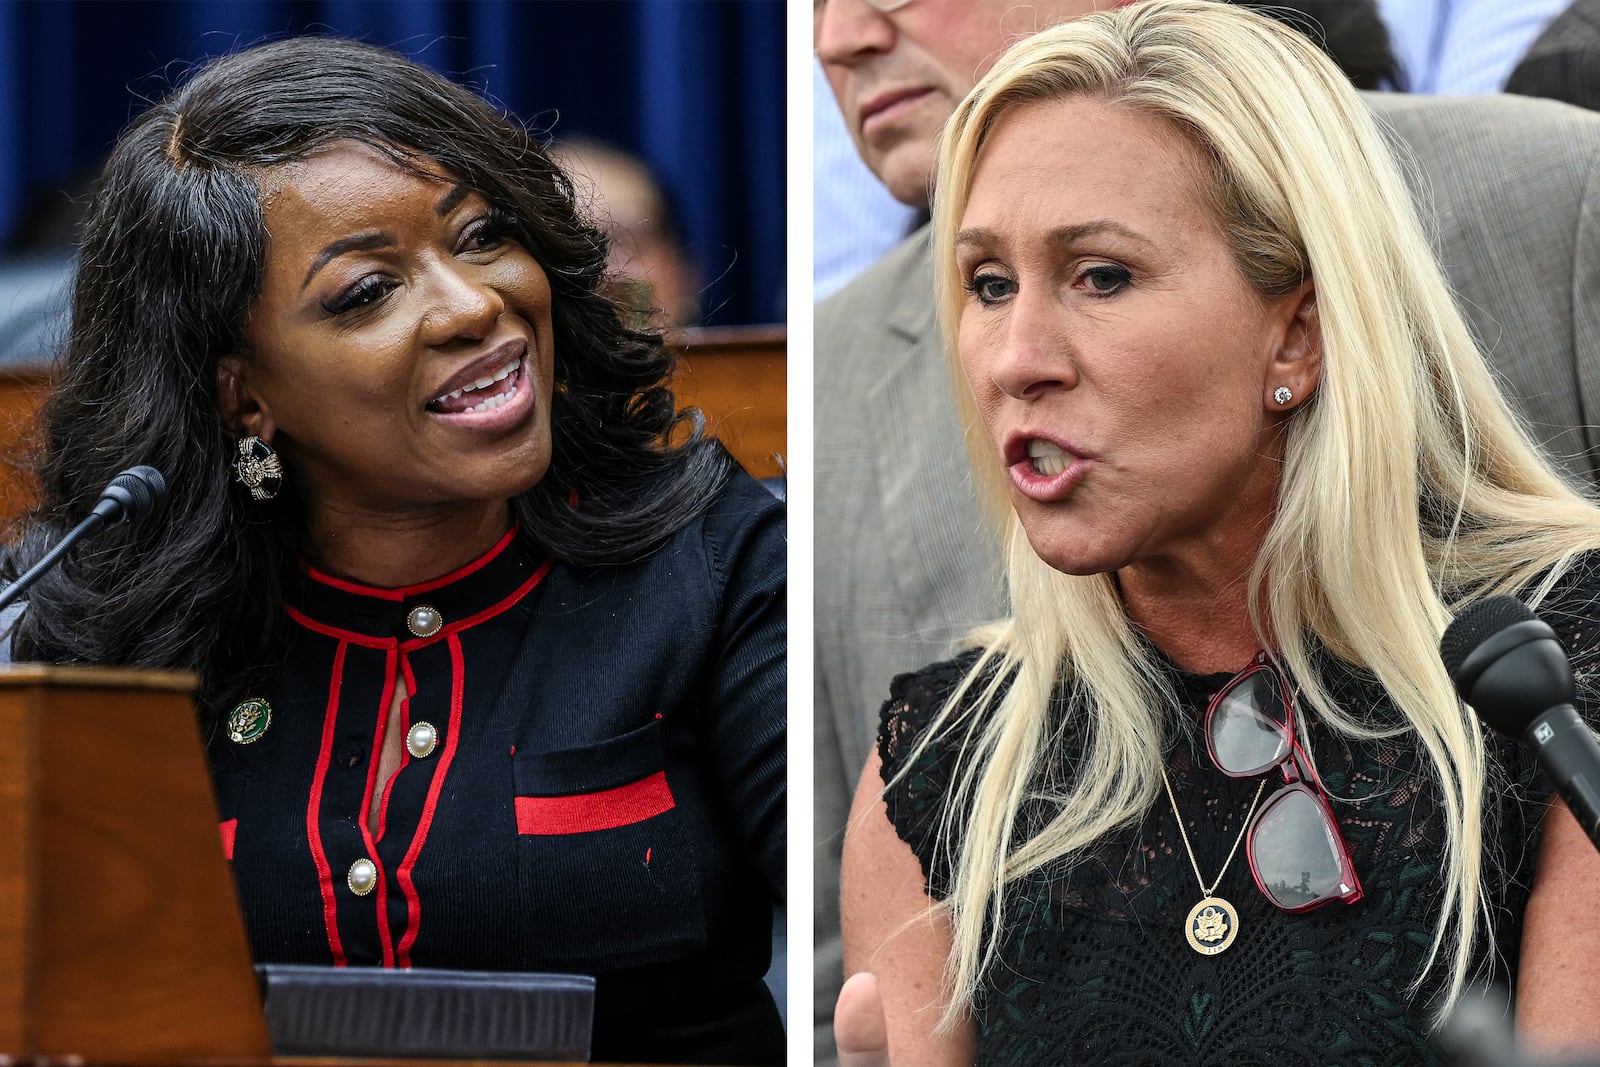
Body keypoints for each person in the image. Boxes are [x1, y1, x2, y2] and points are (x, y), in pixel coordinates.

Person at [813, 0, 1600, 1057]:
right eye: (988, 284)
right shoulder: (945, 767)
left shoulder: (1553, 683)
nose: (1014, 357)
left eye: (1101, 275)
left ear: (1298, 336)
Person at [1, 36, 785, 1066]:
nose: (473, 305)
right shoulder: (109, 613)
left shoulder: (718, 563)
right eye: (366, 291)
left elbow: (850, 944)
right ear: (243, 393)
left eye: (482, 234)